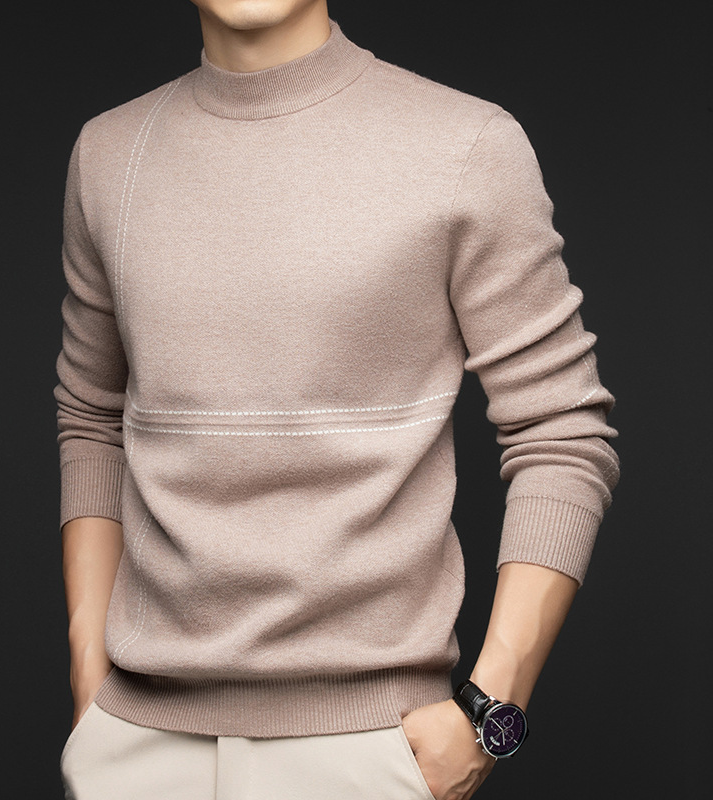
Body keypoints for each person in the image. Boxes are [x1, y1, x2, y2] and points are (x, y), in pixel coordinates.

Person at [53, 1, 620, 798]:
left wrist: (490, 709)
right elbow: (90, 418)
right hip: (135, 748)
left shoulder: (464, 145)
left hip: (368, 751)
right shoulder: (109, 154)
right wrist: (89, 678)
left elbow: (562, 430)